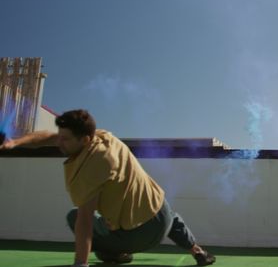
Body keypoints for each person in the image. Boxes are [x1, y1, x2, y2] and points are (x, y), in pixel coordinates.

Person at [0, 109, 215, 267]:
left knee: (74, 217)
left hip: (137, 237)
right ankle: (198, 252)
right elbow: (48, 137)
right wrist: (14, 143)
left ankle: (118, 254)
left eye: (65, 139)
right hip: (164, 217)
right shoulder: (103, 136)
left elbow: (84, 220)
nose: (59, 143)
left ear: (84, 140)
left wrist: (80, 263)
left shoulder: (95, 164)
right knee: (164, 210)